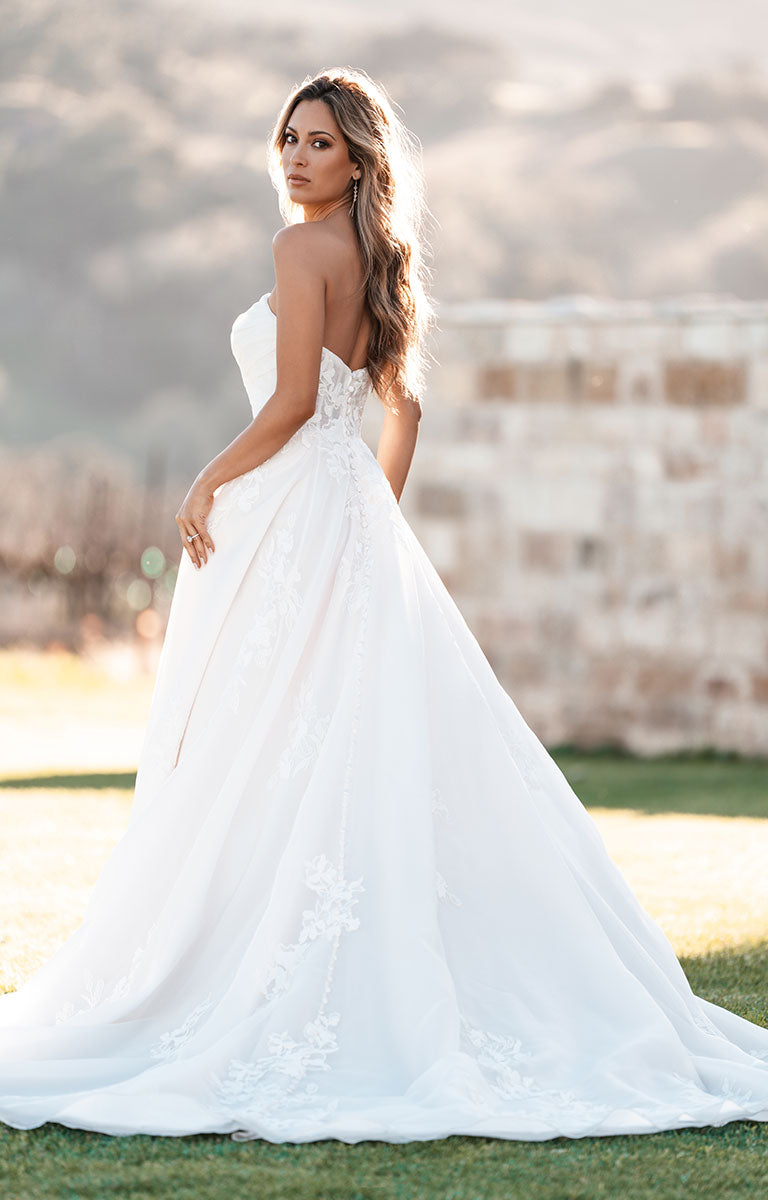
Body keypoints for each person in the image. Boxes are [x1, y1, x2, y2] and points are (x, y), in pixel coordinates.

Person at [1, 67, 768, 1146]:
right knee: (335, 733)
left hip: (292, 510)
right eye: (288, 138)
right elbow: (399, 409)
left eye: (318, 142)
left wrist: (205, 479)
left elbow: (294, 404)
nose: (296, 156)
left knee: (268, 737)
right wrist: (371, 514)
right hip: (344, 516)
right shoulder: (380, 260)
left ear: (358, 158)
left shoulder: (298, 251)